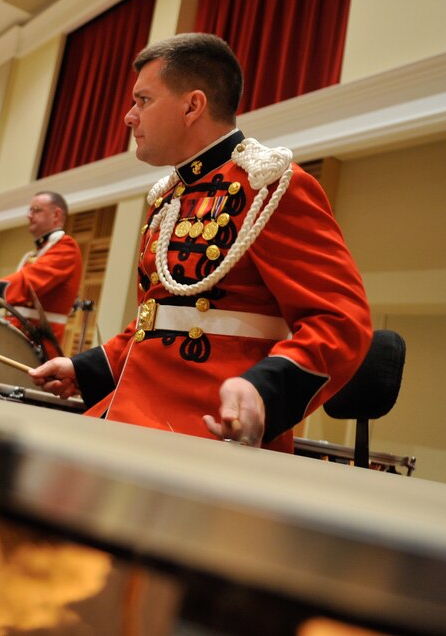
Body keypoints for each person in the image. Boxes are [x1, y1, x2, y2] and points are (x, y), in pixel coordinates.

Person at [30, 33, 372, 452]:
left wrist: (264, 391)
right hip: (134, 415)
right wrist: (84, 368)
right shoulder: (170, 197)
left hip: (205, 431)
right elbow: (158, 323)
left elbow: (341, 321)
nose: (128, 116)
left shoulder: (269, 187)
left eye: (143, 100)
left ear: (192, 106)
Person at [0, 192, 83, 359]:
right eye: (29, 210)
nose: (28, 215)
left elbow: (27, 283)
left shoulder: (66, 246)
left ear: (56, 214)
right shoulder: (36, 254)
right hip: (20, 338)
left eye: (36, 210)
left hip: (39, 343)